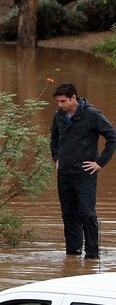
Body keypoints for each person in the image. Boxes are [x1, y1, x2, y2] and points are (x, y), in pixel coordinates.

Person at [50, 82, 116, 260]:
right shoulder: (59, 116)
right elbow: (54, 139)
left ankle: (93, 255)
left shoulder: (92, 115)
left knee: (87, 213)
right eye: (58, 101)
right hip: (64, 173)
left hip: (85, 172)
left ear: (74, 98)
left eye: (63, 101)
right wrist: (56, 158)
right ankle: (72, 254)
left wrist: (100, 163)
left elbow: (112, 137)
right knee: (68, 214)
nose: (60, 105)